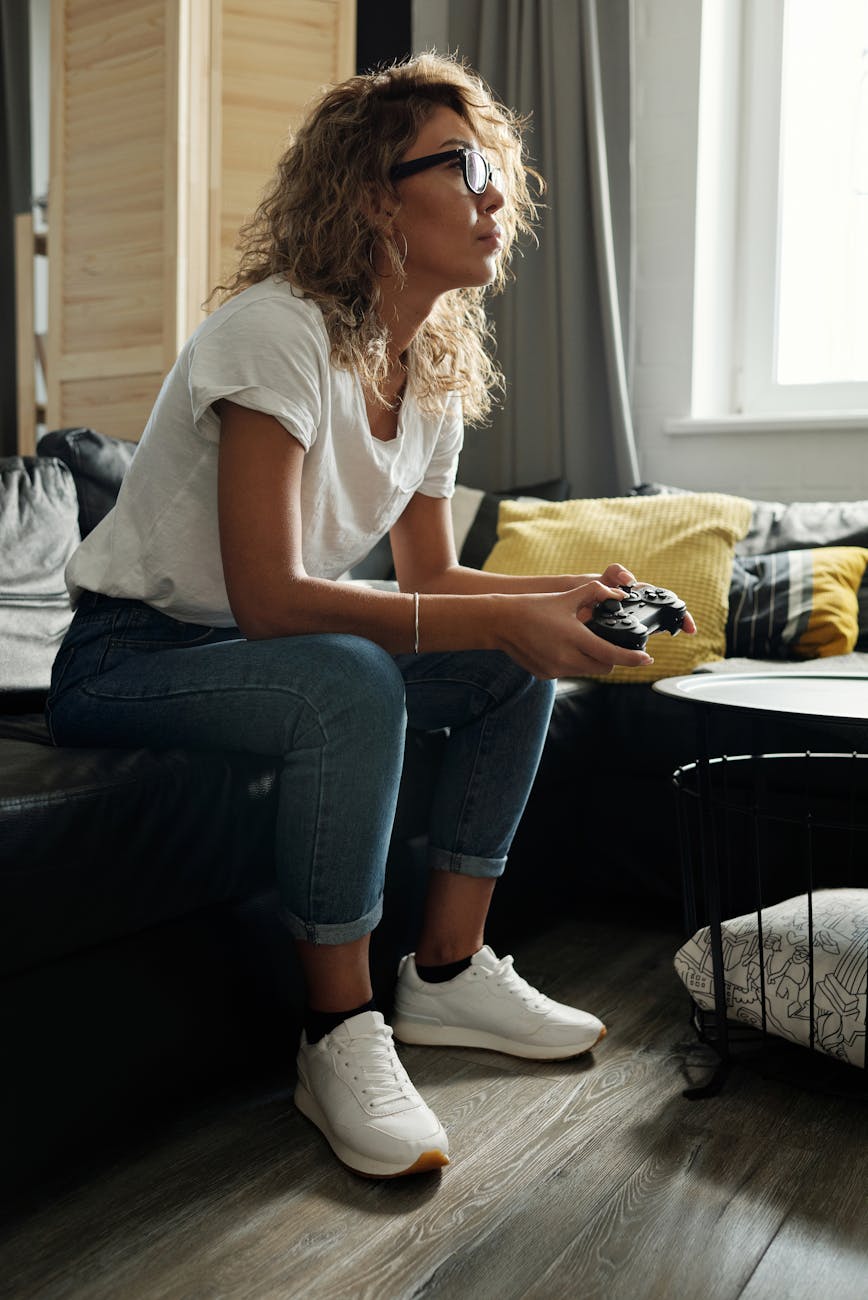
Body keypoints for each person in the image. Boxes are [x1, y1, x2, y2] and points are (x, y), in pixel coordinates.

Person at [46, 52, 694, 1180]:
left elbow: (432, 575)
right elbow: (271, 595)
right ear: (369, 192)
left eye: (499, 169)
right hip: (130, 656)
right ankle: (337, 1033)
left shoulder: (431, 364)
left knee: (508, 667)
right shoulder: (276, 330)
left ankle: (444, 974)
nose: (496, 193)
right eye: (465, 165)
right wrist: (507, 618)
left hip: (254, 651)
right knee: (350, 675)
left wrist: (562, 598)